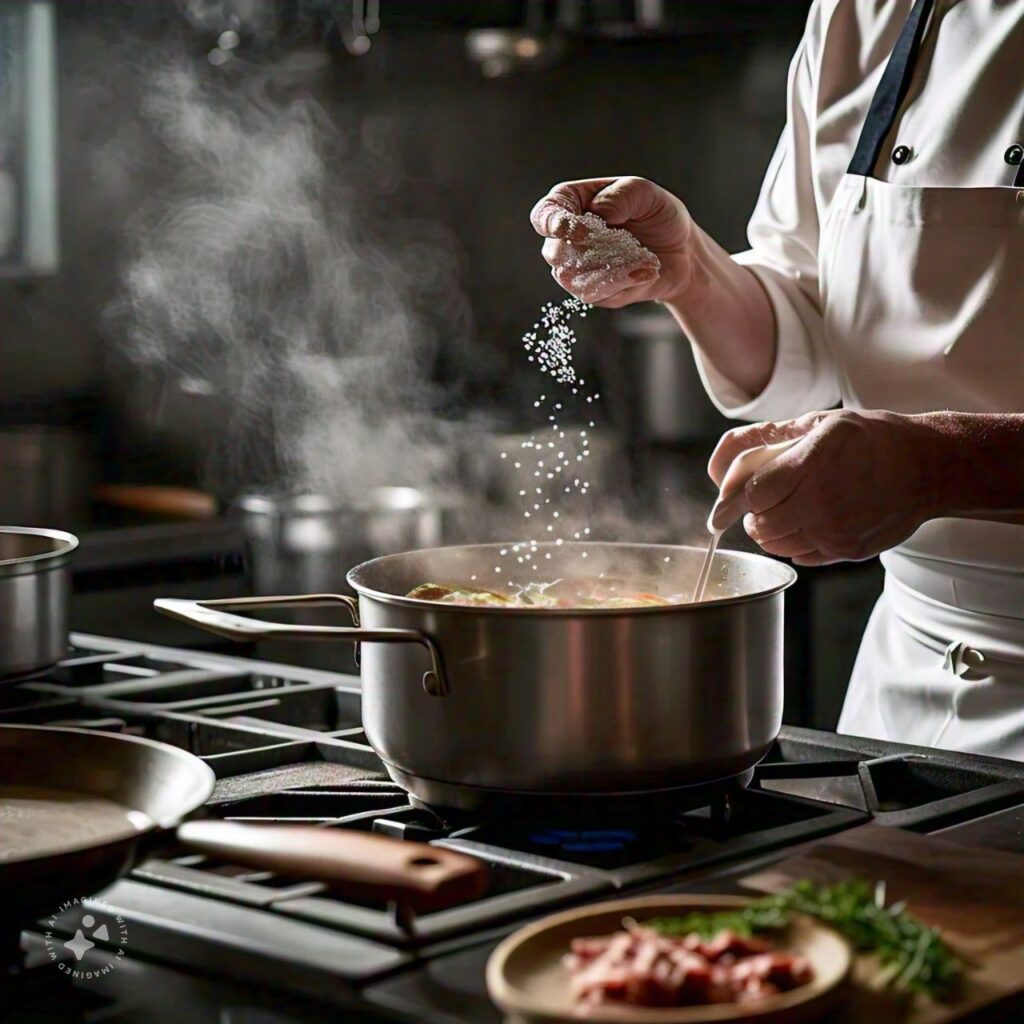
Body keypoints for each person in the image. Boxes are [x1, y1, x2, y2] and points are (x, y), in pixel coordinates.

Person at [530, 0, 1024, 759]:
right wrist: (687, 269)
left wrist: (942, 465)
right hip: (903, 687)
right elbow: (807, 327)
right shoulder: (864, 12)